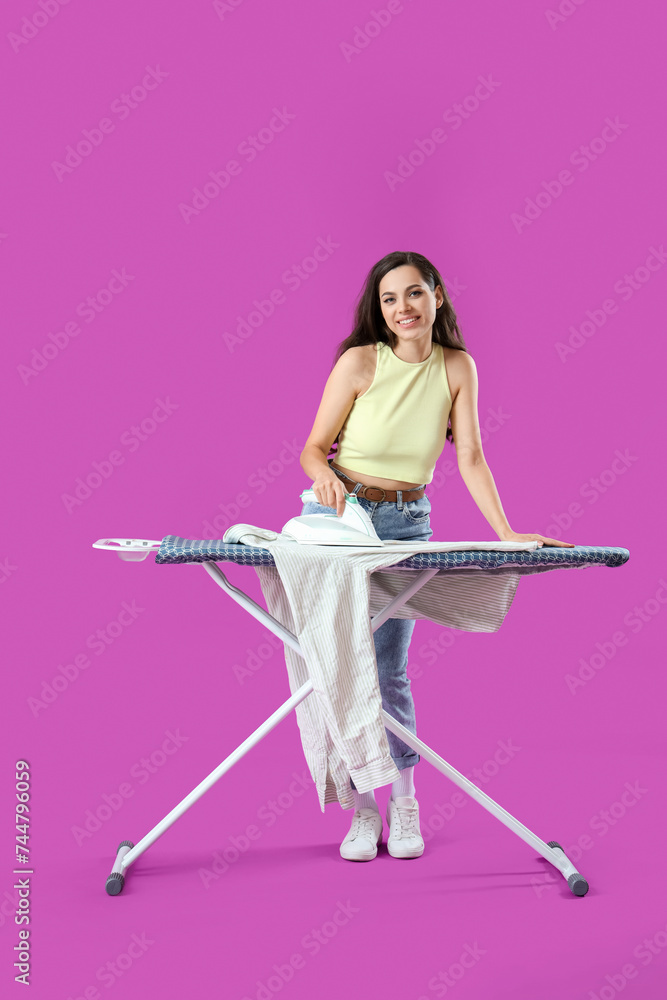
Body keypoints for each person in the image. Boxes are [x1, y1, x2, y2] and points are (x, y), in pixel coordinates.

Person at [299, 250, 574, 863]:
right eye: (390, 299)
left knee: (389, 667)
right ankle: (362, 810)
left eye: (414, 294)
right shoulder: (359, 362)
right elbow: (314, 449)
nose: (403, 308)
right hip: (344, 517)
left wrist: (506, 533)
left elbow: (470, 457)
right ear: (379, 308)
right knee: (342, 663)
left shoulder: (458, 368)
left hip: (406, 523)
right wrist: (324, 479)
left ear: (438, 298)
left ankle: (404, 802)